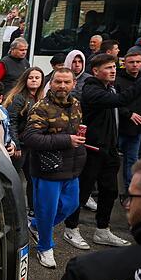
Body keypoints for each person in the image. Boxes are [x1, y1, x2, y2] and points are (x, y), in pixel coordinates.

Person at [63, 54, 141, 248]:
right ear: (95, 71)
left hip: (109, 150)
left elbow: (126, 102)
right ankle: (71, 229)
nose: (113, 70)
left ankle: (102, 230)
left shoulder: (110, 87)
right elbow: (122, 99)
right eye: (108, 68)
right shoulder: (92, 90)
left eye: (113, 67)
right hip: (92, 149)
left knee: (109, 191)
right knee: (83, 192)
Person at [22, 67, 86, 268]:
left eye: (67, 82)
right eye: (58, 82)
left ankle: (35, 225)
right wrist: (66, 140)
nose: (62, 86)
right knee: (47, 210)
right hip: (47, 169)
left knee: (71, 205)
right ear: (51, 82)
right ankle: (44, 248)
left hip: (71, 167)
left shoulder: (76, 104)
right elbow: (30, 137)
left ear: (74, 84)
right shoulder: (41, 107)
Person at [5, 67, 45, 214]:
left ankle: (32, 209)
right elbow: (11, 122)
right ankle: (8, 208)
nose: (34, 80)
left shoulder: (41, 98)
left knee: (33, 178)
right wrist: (15, 144)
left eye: (37, 77)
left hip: (33, 145)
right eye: (31, 77)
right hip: (21, 145)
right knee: (12, 179)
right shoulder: (19, 97)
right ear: (25, 80)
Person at [116, 50, 141, 190]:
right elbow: (114, 103)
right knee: (110, 162)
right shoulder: (117, 80)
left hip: (136, 129)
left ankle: (130, 191)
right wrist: (128, 114)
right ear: (124, 64)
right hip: (117, 128)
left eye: (138, 62)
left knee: (132, 161)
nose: (134, 65)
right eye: (131, 62)